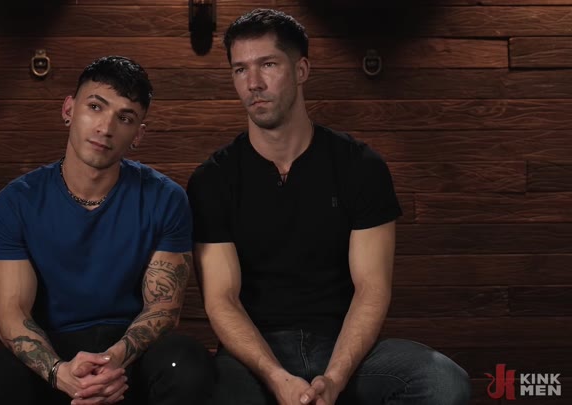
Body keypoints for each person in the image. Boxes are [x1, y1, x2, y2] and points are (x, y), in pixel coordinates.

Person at [186, 9, 471, 405]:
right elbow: (222, 300)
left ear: (301, 70)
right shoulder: (213, 179)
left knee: (443, 381)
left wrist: (334, 379)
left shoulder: (360, 166)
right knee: (213, 390)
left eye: (268, 65)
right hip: (253, 356)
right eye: (240, 70)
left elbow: (371, 289)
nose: (253, 83)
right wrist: (277, 378)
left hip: (342, 347)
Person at [0, 56, 213, 405]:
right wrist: (60, 372)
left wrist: (112, 360)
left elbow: (163, 309)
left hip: (128, 354)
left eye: (125, 118)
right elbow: (12, 314)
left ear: (138, 134)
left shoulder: (165, 197)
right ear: (68, 110)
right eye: (95, 107)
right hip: (52, 353)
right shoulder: (16, 202)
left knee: (187, 365)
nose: (106, 127)